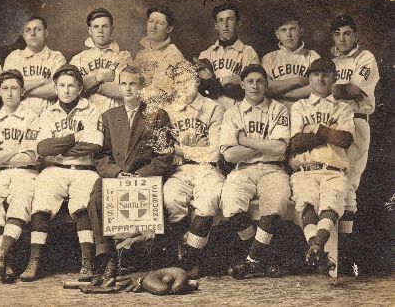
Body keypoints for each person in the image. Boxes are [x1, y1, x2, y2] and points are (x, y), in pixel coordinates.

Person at [86, 65, 174, 283]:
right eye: (123, 84)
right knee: (96, 199)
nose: (127, 89)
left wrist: (140, 175)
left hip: (144, 177)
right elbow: (100, 155)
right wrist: (116, 174)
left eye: (133, 84)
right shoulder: (108, 117)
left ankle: (143, 260)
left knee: (154, 201)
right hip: (116, 176)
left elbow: (163, 157)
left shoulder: (157, 116)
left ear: (142, 87)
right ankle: (108, 259)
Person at [19, 64, 103, 282]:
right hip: (54, 169)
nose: (66, 90)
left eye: (71, 86)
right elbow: (43, 149)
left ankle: (87, 261)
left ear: (80, 87)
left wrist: (59, 146)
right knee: (41, 202)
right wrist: (74, 138)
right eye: (62, 86)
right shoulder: (48, 113)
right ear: (55, 88)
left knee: (82, 205)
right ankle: (34, 259)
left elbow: (93, 145)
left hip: (85, 169)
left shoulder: (91, 110)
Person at [219, 64, 291, 279]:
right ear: (242, 84)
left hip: (272, 169)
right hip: (243, 171)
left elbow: (280, 148)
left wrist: (245, 141)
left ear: (266, 85)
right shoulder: (232, 113)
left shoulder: (278, 109)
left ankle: (250, 261)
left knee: (276, 200)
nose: (255, 86)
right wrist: (263, 145)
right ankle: (262, 257)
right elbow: (229, 156)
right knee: (230, 204)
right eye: (250, 81)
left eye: (260, 81)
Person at [288, 58, 355, 273]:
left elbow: (345, 140)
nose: (321, 78)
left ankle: (315, 248)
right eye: (316, 74)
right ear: (309, 78)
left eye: (326, 74)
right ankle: (318, 248)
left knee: (330, 204)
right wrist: (328, 131)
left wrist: (314, 128)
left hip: (333, 170)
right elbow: (296, 143)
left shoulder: (343, 108)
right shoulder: (299, 106)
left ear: (334, 78)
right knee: (306, 203)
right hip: (305, 170)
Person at [162, 62, 225, 279]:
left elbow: (214, 152)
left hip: (207, 169)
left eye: (187, 81)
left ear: (197, 81)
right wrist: (194, 146)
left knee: (209, 198)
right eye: (178, 82)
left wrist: (182, 148)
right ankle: (190, 255)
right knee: (170, 199)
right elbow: (167, 151)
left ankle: (189, 260)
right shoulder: (169, 110)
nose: (183, 86)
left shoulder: (213, 108)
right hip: (179, 170)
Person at [0, 70, 40, 283]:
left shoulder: (32, 117)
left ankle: (1, 254)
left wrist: (1, 155)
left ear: (22, 91)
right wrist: (14, 150)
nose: (10, 93)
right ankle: (5, 261)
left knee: (20, 200)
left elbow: (30, 157)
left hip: (25, 172)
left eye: (15, 88)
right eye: (5, 88)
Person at [329, 15, 380, 227]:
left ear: (356, 35)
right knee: (334, 178)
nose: (342, 39)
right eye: (337, 34)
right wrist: (340, 89)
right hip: (334, 122)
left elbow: (354, 89)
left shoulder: (365, 57)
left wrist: (327, 89)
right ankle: (333, 246)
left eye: (347, 33)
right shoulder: (330, 62)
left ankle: (345, 251)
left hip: (357, 120)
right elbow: (344, 89)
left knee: (349, 182)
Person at [70, 8, 132, 114]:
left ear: (112, 29)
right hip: (86, 118)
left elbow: (126, 91)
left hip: (115, 118)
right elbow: (70, 91)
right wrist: (98, 77)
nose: (100, 31)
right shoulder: (78, 59)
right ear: (89, 30)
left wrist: (92, 86)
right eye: (96, 26)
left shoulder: (124, 57)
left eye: (105, 26)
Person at [198, 3, 259, 110]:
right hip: (211, 113)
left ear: (238, 23)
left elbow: (251, 86)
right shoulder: (206, 54)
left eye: (229, 19)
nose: (225, 25)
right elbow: (203, 89)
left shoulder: (248, 52)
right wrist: (231, 81)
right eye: (221, 20)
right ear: (216, 26)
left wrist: (216, 81)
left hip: (239, 112)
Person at [3, 16, 67, 116]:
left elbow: (57, 89)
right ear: (23, 35)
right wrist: (43, 80)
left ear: (46, 33)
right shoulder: (14, 57)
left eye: (38, 29)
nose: (32, 33)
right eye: (28, 30)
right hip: (18, 117)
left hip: (49, 116)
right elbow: (8, 88)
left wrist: (21, 90)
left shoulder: (57, 57)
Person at [261, 15, 320, 110]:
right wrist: (298, 81)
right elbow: (266, 88)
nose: (288, 34)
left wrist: (279, 90)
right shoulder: (269, 58)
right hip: (276, 110)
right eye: (283, 30)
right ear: (277, 34)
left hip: (307, 110)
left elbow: (317, 88)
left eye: (292, 29)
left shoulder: (312, 56)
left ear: (301, 31)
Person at [133, 6, 185, 98]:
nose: (153, 26)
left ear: (169, 29)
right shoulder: (141, 54)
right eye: (151, 21)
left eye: (160, 23)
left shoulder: (174, 55)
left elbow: (168, 92)